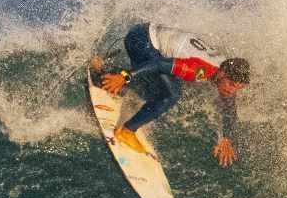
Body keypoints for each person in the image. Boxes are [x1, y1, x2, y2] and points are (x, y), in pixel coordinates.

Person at [93, 23, 251, 166]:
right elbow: (159, 65)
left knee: (155, 91)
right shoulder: (200, 69)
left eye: (237, 88)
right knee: (170, 95)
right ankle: (127, 131)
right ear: (222, 73)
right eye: (231, 85)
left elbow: (230, 110)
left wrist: (226, 137)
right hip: (141, 40)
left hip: (148, 37)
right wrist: (125, 77)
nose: (231, 90)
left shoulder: (228, 70)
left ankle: (104, 73)